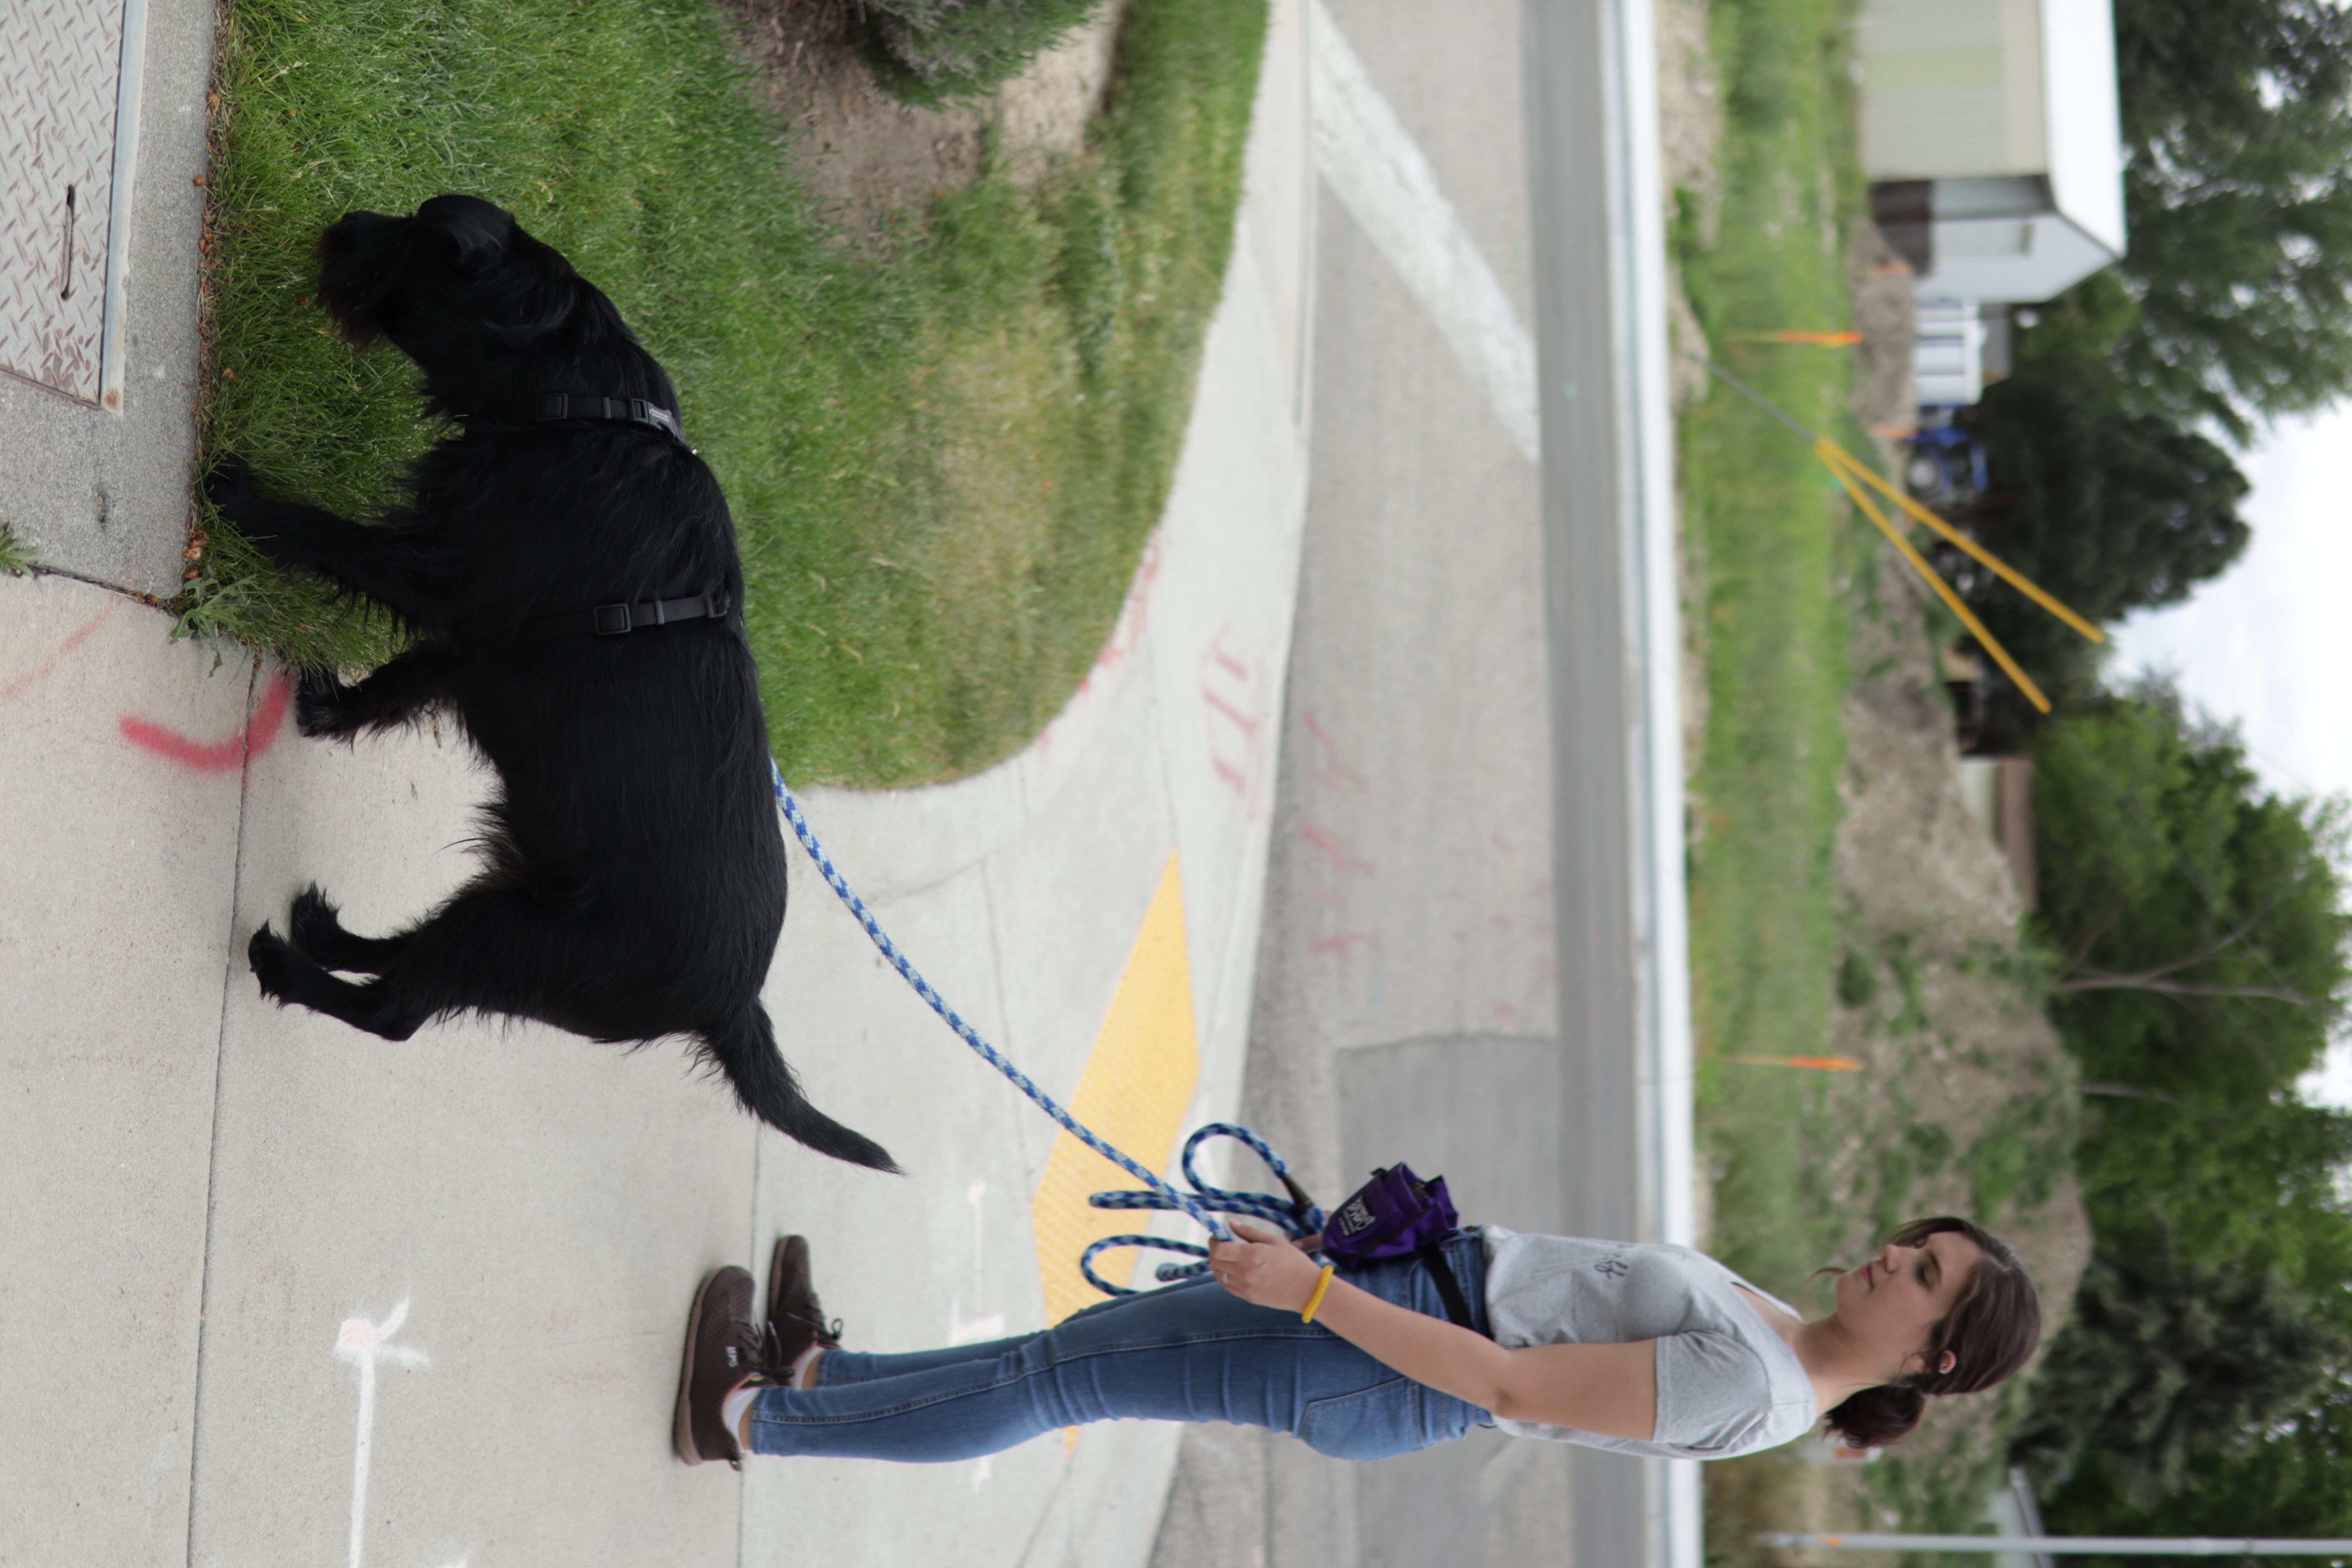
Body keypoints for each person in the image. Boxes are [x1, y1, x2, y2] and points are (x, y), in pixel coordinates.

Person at [671, 1215, 2041, 1470]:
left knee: (1062, 1376)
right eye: (1917, 1242)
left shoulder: (1752, 1387)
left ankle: (752, 1420)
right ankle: (820, 1378)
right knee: (1071, 1348)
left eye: (1924, 1277)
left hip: (1376, 1355)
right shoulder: (1772, 1330)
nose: (1892, 1257)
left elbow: (1506, 1378)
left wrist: (1311, 1296)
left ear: (1932, 1359)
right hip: (1395, 1312)